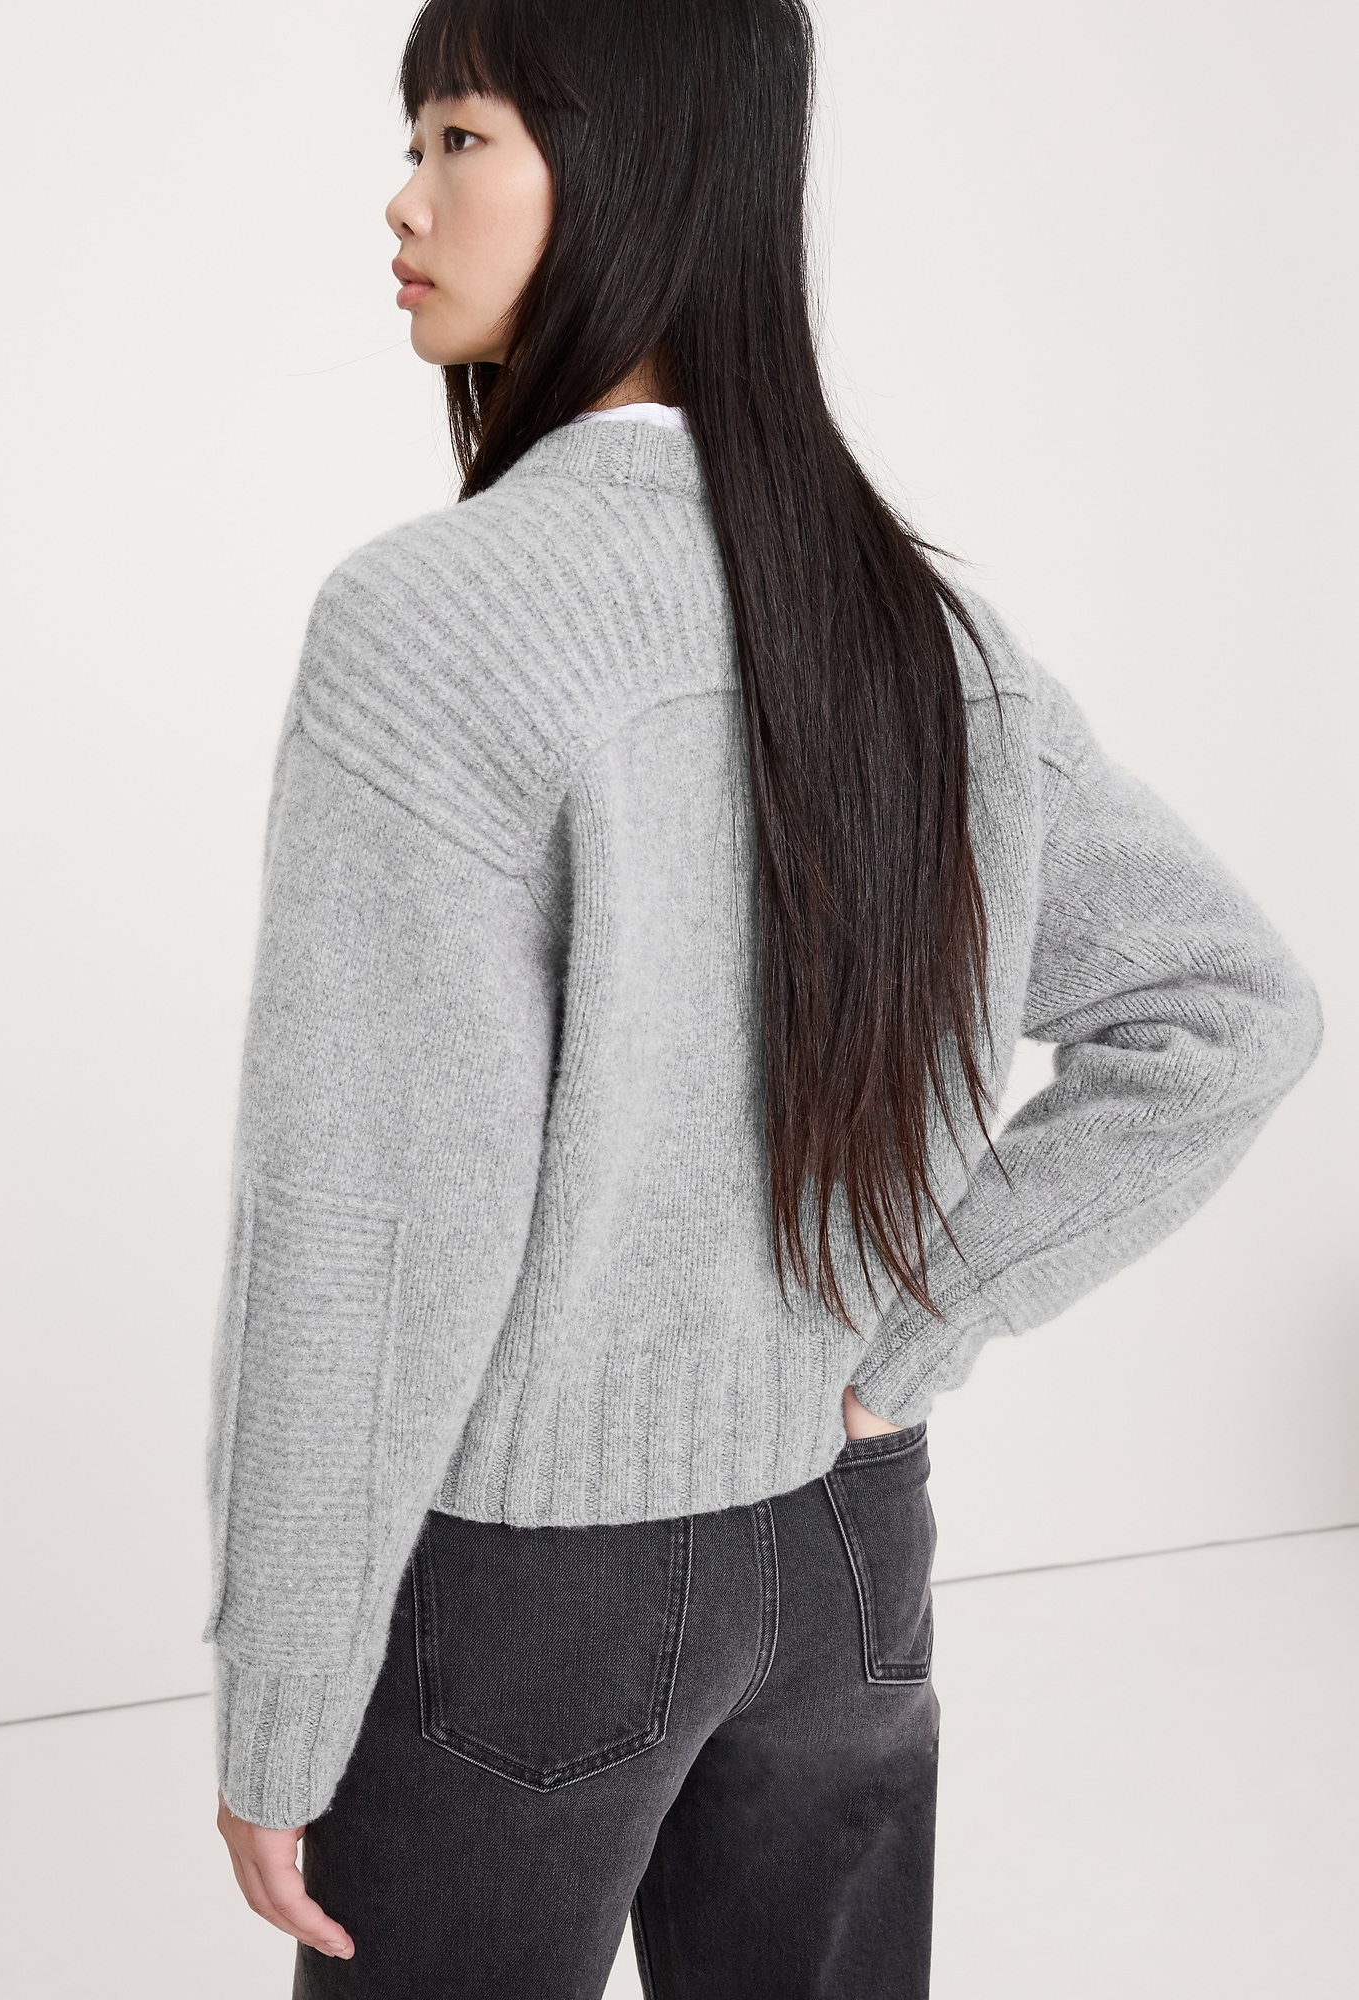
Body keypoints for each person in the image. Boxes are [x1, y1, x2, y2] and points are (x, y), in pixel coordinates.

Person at [204, 1, 1323, 1993]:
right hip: (849, 1545)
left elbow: (365, 1220)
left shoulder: (434, 626)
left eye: (459, 136)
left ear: (631, 169)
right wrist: (910, 1336)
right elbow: (1230, 1007)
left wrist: (281, 1702)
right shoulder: (922, 626)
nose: (404, 200)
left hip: (534, 1591)